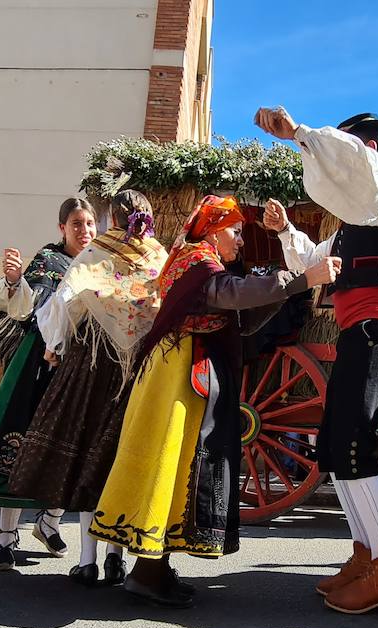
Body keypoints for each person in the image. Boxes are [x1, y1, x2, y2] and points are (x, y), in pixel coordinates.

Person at [89, 195, 339, 606]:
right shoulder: (197, 262)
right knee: (171, 462)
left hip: (179, 373)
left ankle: (154, 567)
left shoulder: (195, 261)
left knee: (178, 464)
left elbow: (235, 311)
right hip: (175, 376)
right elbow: (229, 294)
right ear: (212, 229)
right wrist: (301, 279)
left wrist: (289, 286)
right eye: (236, 232)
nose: (241, 241)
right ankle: (148, 571)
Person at [255, 106, 378, 615]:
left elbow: (359, 168)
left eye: (357, 145)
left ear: (372, 148)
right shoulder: (351, 224)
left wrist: (302, 134)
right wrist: (286, 232)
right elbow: (314, 262)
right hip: (363, 329)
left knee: (352, 440)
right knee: (334, 443)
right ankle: (367, 555)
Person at [8, 191, 167, 587]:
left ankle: (87, 559)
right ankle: (116, 556)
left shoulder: (96, 253)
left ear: (114, 217)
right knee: (118, 457)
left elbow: (62, 303)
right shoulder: (158, 258)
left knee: (84, 452)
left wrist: (55, 345)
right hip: (139, 372)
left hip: (93, 365)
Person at [0, 197, 98, 569]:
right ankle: (6, 536)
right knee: (18, 443)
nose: (85, 231)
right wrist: (13, 280)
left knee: (66, 445)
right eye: (77, 224)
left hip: (80, 367)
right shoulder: (48, 261)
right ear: (62, 229)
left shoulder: (101, 263)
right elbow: (27, 308)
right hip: (40, 363)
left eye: (89, 223)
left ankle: (49, 521)